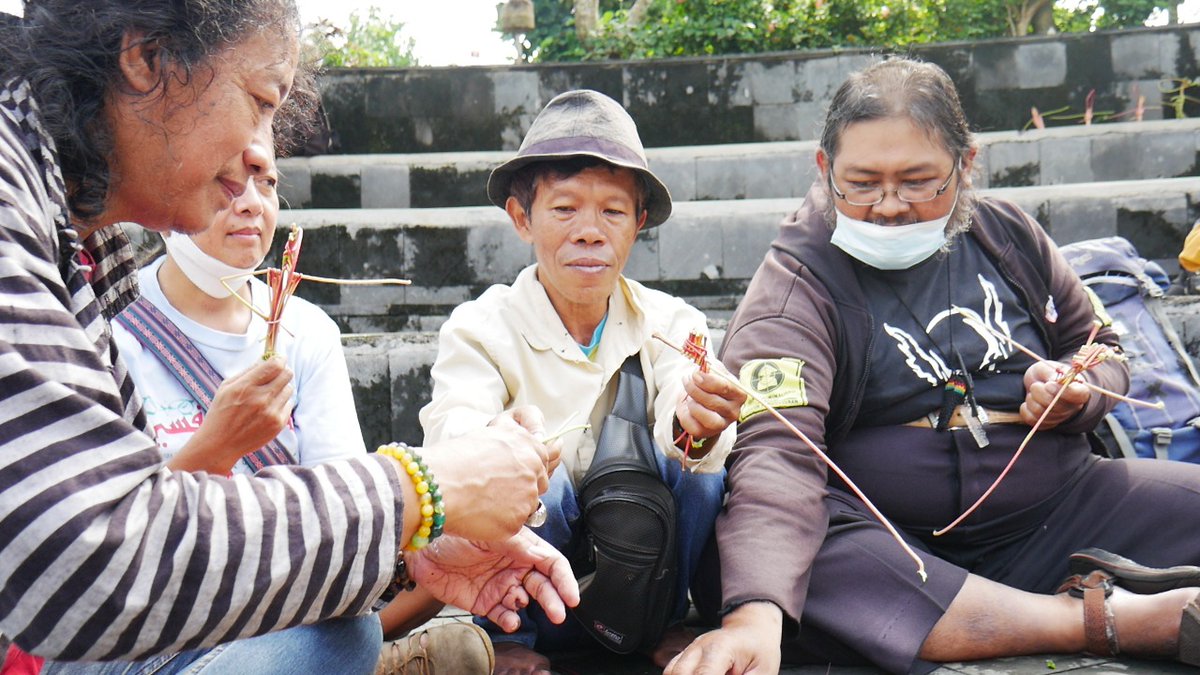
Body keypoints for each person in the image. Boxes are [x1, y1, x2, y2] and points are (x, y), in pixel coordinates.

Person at [0, 0, 577, 667]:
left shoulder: (74, 239)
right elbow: (90, 559)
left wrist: (408, 539)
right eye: (259, 100)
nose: (259, 151)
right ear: (147, 61)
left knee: (341, 633)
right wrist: (419, 488)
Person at [666, 57, 1200, 675]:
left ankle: (1004, 618)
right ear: (824, 169)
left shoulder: (1007, 236)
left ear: (966, 165)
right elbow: (778, 454)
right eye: (862, 183)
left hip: (1058, 511)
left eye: (920, 182)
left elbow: (1100, 342)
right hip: (896, 550)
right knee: (784, 568)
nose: (889, 206)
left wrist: (1083, 392)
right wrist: (753, 620)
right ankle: (1112, 620)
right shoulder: (795, 284)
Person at [419, 90, 746, 674]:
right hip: (545, 544)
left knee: (704, 473)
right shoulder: (481, 326)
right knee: (522, 477)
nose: (590, 232)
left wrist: (697, 421)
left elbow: (682, 395)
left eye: (613, 213)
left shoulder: (673, 324)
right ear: (522, 218)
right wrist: (499, 440)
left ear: (639, 223)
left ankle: (662, 622)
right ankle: (513, 631)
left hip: (641, 550)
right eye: (564, 209)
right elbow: (454, 428)